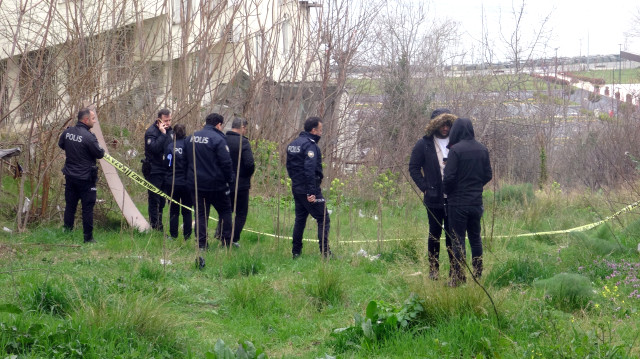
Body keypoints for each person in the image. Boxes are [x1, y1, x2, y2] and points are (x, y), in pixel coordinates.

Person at [443, 118, 492, 287]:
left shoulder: (455, 150)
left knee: (458, 241)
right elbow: (488, 175)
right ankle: (478, 274)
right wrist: (476, 187)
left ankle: (458, 277)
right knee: (475, 239)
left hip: (458, 203)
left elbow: (448, 177)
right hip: (476, 202)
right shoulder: (482, 149)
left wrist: (448, 191)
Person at [409, 109, 457, 280]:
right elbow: (413, 168)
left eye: (448, 124)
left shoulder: (457, 142)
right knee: (434, 234)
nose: (445, 128)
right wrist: (425, 187)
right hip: (433, 197)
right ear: (434, 125)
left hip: (454, 197)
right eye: (441, 124)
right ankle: (433, 269)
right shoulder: (424, 144)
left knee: (453, 235)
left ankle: (454, 270)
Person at [185, 113, 234, 256]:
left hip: (195, 183)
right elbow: (226, 162)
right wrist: (229, 179)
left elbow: (186, 159)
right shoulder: (218, 139)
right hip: (216, 185)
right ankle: (225, 241)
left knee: (200, 214)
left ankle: (201, 244)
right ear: (219, 125)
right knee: (225, 211)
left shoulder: (191, 138)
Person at [286, 117, 331, 258]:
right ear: (313, 130)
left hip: (297, 188)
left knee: (300, 219)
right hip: (309, 190)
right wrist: (311, 192)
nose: (321, 133)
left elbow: (289, 167)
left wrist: (296, 183)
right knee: (323, 218)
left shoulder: (293, 144)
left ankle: (296, 252)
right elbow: (310, 170)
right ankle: (325, 253)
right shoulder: (310, 146)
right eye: (320, 130)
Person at [58, 108, 105, 243]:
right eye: (93, 119)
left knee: (70, 206)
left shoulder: (67, 132)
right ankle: (88, 238)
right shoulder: (89, 137)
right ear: (85, 120)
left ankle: (67, 233)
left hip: (70, 176)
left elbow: (61, 144)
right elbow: (100, 153)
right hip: (86, 179)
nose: (94, 121)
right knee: (87, 209)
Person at [215, 117, 255, 247]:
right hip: (241, 184)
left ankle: (221, 235)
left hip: (223, 182)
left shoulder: (222, 139)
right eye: (246, 129)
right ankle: (233, 239)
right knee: (241, 213)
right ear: (242, 128)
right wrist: (246, 176)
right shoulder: (243, 142)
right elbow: (249, 163)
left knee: (225, 211)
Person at [143, 108, 173, 231]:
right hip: (154, 170)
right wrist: (162, 134)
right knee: (154, 198)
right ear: (159, 120)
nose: (168, 123)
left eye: (170, 120)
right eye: (166, 120)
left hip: (166, 169)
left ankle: (160, 223)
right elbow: (154, 148)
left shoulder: (171, 131)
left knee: (162, 199)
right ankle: (155, 226)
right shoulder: (151, 132)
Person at [164, 123, 192, 240]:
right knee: (187, 210)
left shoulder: (170, 146)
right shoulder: (189, 146)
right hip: (186, 183)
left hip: (172, 183)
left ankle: (173, 235)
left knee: (174, 210)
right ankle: (187, 235)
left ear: (174, 134)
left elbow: (167, 164)